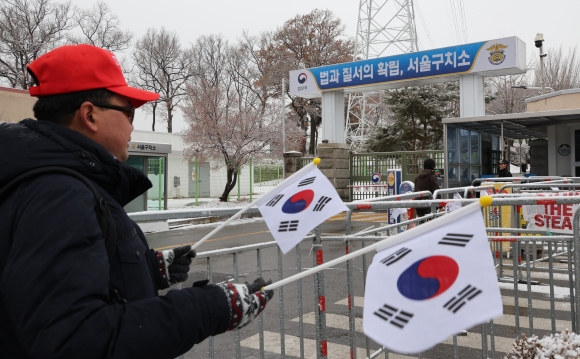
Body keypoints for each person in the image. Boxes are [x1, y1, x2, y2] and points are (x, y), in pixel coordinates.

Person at [0, 44, 273, 358]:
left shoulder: (66, 179)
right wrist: (207, 309)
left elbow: (73, 276)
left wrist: (148, 268)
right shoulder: (57, 194)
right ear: (89, 114)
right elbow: (75, 341)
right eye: (128, 111)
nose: (132, 124)